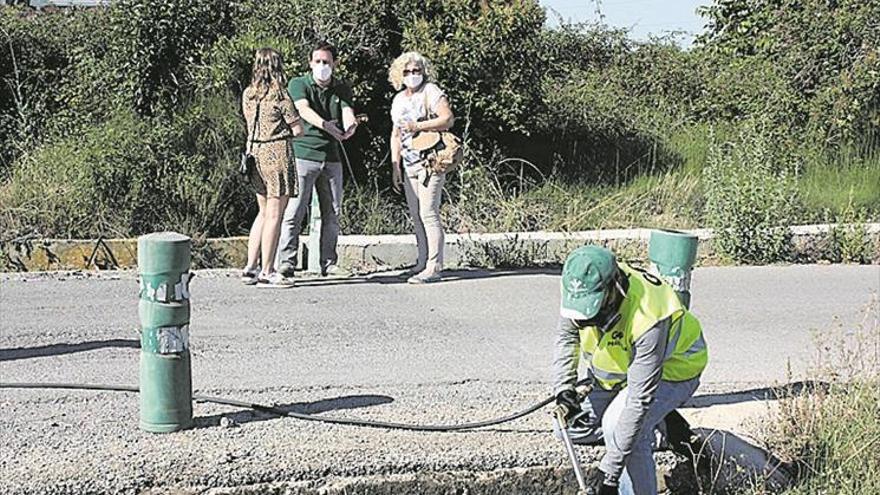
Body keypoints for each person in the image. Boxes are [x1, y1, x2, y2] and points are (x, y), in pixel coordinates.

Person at [552, 245, 709, 495]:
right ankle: (663, 424)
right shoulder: (579, 285)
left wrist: (609, 476)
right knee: (567, 427)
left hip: (673, 371)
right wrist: (564, 389)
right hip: (625, 373)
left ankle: (646, 438)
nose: (584, 321)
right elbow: (567, 337)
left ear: (614, 289)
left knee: (623, 429)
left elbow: (637, 402)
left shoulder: (648, 316)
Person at [276, 41, 358, 278]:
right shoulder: (299, 83)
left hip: (332, 158)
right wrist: (326, 126)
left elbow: (346, 110)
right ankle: (287, 261)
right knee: (294, 211)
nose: (323, 66)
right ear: (311, 63)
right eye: (318, 62)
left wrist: (349, 125)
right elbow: (302, 109)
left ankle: (329, 262)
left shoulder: (341, 88)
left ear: (334, 64)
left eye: (327, 62)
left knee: (332, 212)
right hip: (303, 155)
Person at [388, 52, 454, 284]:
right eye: (407, 72)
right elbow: (396, 133)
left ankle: (434, 265)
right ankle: (422, 260)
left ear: (423, 71)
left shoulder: (431, 91)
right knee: (416, 215)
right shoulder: (398, 100)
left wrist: (418, 125)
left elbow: (447, 118)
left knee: (428, 212)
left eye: (416, 71)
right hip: (408, 163)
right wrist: (395, 165)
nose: (412, 75)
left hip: (430, 160)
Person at [240, 48, 303, 288]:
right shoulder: (280, 96)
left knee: (263, 213)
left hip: (254, 154)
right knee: (275, 215)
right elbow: (297, 129)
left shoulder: (249, 94)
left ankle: (250, 267)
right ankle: (268, 269)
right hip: (276, 154)